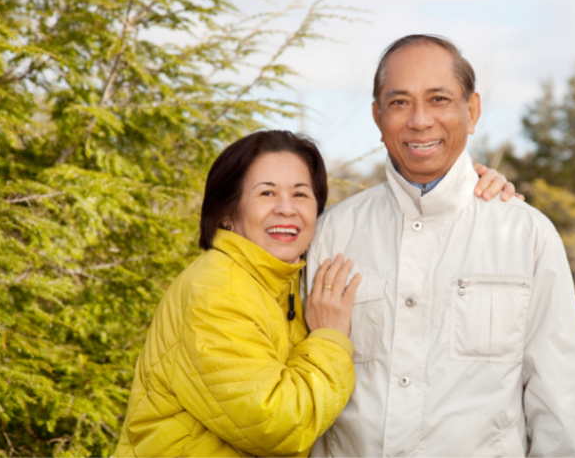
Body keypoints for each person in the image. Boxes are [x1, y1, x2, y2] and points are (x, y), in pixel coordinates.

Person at [115, 130, 518, 457]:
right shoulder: (218, 290)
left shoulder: (282, 279)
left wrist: (464, 188)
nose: (287, 208)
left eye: (301, 194)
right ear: (227, 212)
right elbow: (279, 424)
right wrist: (330, 339)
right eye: (267, 193)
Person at [306, 35, 575, 457]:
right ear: (377, 116)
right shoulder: (333, 234)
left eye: (439, 99)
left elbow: (563, 407)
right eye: (399, 103)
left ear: (472, 110)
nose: (420, 121)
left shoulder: (526, 236)